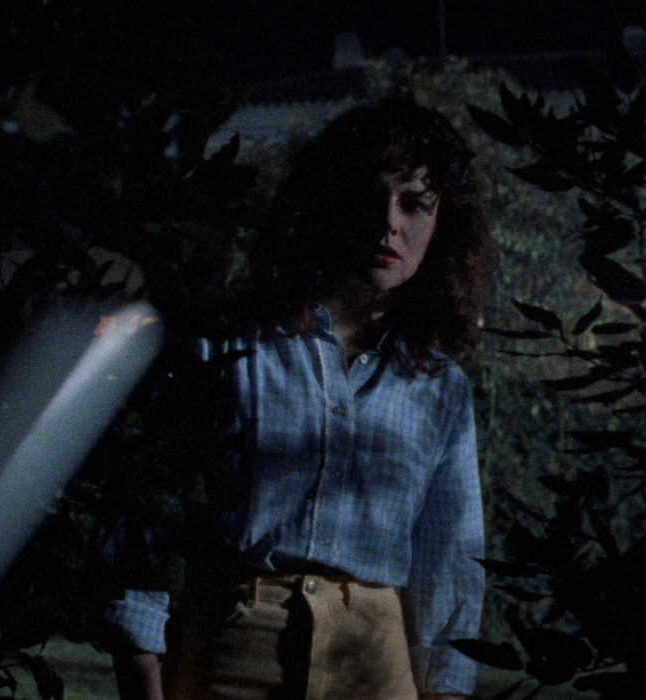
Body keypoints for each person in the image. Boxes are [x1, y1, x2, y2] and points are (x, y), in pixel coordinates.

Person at [103, 96, 491, 699]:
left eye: (415, 204)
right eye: (369, 194)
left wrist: (446, 687)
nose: (388, 222)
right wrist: (142, 671)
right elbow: (146, 513)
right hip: (231, 656)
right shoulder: (227, 346)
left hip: (375, 671)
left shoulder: (438, 386)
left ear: (443, 224)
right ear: (327, 201)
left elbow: (451, 558)